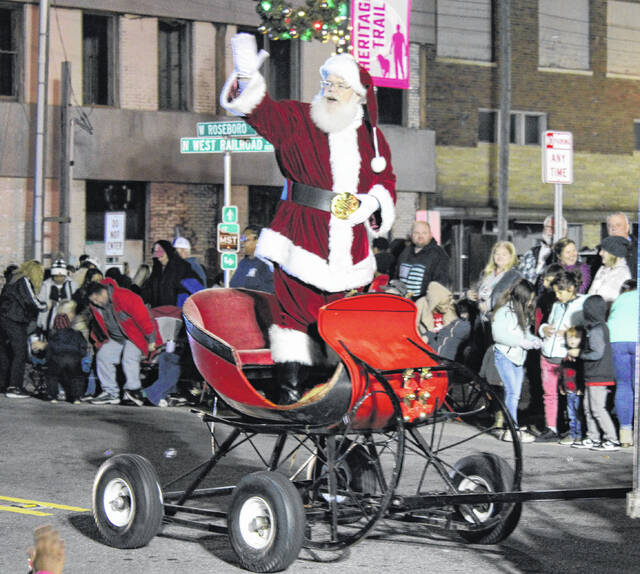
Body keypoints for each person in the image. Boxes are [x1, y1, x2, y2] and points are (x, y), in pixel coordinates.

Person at [220, 35, 396, 403]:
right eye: (326, 83)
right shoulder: (299, 119)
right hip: (301, 235)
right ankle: (290, 393)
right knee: (293, 316)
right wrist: (247, 76)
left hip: (352, 248)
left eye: (339, 85)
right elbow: (260, 111)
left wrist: (371, 203)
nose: (330, 90)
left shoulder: (373, 139)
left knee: (346, 322)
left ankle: (344, 397)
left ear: (359, 94)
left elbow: (385, 182)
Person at [87, 280, 162, 405]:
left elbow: (144, 318)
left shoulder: (125, 296)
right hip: (117, 338)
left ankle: (134, 391)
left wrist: (152, 340)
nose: (96, 303)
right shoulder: (95, 306)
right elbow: (98, 326)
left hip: (136, 337)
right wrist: (99, 342)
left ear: (104, 292)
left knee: (129, 357)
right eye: (93, 301)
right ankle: (111, 393)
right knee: (103, 356)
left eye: (97, 299)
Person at [537, 269, 586, 441]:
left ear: (572, 288)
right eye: (556, 291)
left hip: (566, 356)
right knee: (549, 393)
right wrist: (544, 329)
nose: (557, 295)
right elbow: (547, 323)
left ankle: (574, 430)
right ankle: (551, 428)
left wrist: (570, 334)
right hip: (548, 354)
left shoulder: (582, 304)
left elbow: (584, 330)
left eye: (560, 291)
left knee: (571, 394)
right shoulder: (557, 305)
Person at [490, 279, 541, 443]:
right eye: (530, 298)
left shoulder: (522, 313)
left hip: (518, 357)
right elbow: (499, 336)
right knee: (512, 393)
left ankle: (510, 427)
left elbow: (524, 334)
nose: (532, 302)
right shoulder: (503, 312)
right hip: (504, 355)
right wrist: (520, 342)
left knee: (515, 394)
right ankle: (512, 428)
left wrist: (534, 340)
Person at [569, 295, 620, 451]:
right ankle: (593, 437)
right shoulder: (597, 327)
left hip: (599, 375)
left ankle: (612, 439)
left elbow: (597, 353)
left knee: (597, 408)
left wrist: (580, 354)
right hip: (594, 375)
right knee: (588, 408)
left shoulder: (597, 329)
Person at [0, 260, 47, 398]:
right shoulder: (24, 280)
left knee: (6, 353)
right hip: (14, 320)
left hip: (3, 319)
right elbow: (31, 300)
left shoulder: (12, 280)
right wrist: (46, 306)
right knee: (20, 353)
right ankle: (14, 387)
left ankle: (4, 384)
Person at [31, 301, 88, 403]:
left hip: (57, 359)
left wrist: (48, 360)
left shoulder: (54, 336)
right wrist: (81, 355)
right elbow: (83, 345)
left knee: (51, 376)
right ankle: (76, 398)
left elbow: (50, 348)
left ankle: (53, 396)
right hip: (74, 359)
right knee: (76, 377)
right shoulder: (77, 333)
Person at [608, 280, 638, 447]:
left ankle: (625, 435)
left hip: (616, 339)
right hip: (636, 339)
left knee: (624, 385)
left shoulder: (620, 299)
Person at [416, 282, 471, 361]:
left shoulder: (450, 308)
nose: (447, 307)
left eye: (448, 304)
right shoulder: (421, 305)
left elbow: (453, 331)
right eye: (443, 305)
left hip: (445, 350)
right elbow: (415, 327)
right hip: (427, 349)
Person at [395, 221, 450, 299]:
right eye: (416, 233)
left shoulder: (439, 254)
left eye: (424, 233)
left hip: (425, 305)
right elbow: (397, 276)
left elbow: (440, 284)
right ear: (411, 235)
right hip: (403, 303)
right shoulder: (405, 252)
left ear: (431, 235)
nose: (420, 236)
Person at [143, 240, 204, 308]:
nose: (159, 258)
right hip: (158, 312)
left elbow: (197, 288)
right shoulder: (157, 269)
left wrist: (180, 286)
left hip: (176, 312)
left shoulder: (182, 267)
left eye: (161, 254)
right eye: (156, 254)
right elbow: (149, 290)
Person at [519, 215, 567, 284]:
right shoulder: (530, 253)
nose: (552, 231)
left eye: (557, 229)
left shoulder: (571, 257)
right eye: (549, 227)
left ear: (564, 232)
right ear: (544, 229)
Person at [558, 326, 585, 446]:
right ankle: (572, 434)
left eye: (576, 337)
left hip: (577, 390)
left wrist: (581, 388)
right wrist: (561, 386)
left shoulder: (581, 357)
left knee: (579, 414)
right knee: (571, 415)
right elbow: (561, 373)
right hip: (568, 390)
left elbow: (583, 374)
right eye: (570, 337)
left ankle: (579, 435)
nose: (572, 340)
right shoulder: (565, 357)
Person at [587, 235, 632, 305]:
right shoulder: (603, 269)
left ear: (613, 254)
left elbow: (605, 299)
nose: (600, 253)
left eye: (604, 251)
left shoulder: (622, 273)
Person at [37, 259, 77, 336]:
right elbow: (40, 301)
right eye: (56, 276)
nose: (59, 278)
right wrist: (49, 303)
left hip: (67, 318)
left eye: (61, 276)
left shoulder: (72, 285)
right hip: (50, 318)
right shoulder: (45, 285)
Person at [229, 225, 274, 293]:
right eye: (242, 239)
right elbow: (233, 284)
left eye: (246, 240)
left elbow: (271, 290)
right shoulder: (242, 263)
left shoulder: (268, 264)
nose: (242, 243)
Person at [606, 211, 637, 279]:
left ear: (627, 227)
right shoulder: (602, 250)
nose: (613, 228)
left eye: (618, 225)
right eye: (610, 225)